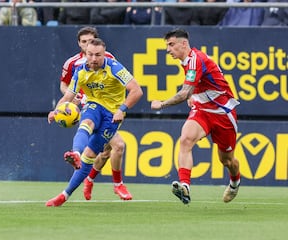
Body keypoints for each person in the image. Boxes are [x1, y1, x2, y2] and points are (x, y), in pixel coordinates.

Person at [46, 38, 143, 207]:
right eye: (90, 54)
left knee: (91, 156)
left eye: (97, 55)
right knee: (87, 123)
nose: (93, 59)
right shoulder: (81, 71)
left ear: (104, 54)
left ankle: (65, 195)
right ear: (85, 54)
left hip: (113, 115)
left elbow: (137, 90)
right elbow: (68, 96)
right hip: (94, 105)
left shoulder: (114, 67)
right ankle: (75, 153)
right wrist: (56, 110)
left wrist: (122, 109)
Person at [151, 28, 241, 204]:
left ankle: (235, 182)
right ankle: (185, 186)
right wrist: (194, 95)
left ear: (184, 44)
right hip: (202, 110)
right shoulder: (186, 61)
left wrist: (161, 103)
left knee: (227, 160)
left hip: (223, 112)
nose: (168, 49)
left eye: (171, 44)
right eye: (167, 45)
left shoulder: (195, 60)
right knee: (186, 139)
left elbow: (184, 93)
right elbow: (195, 86)